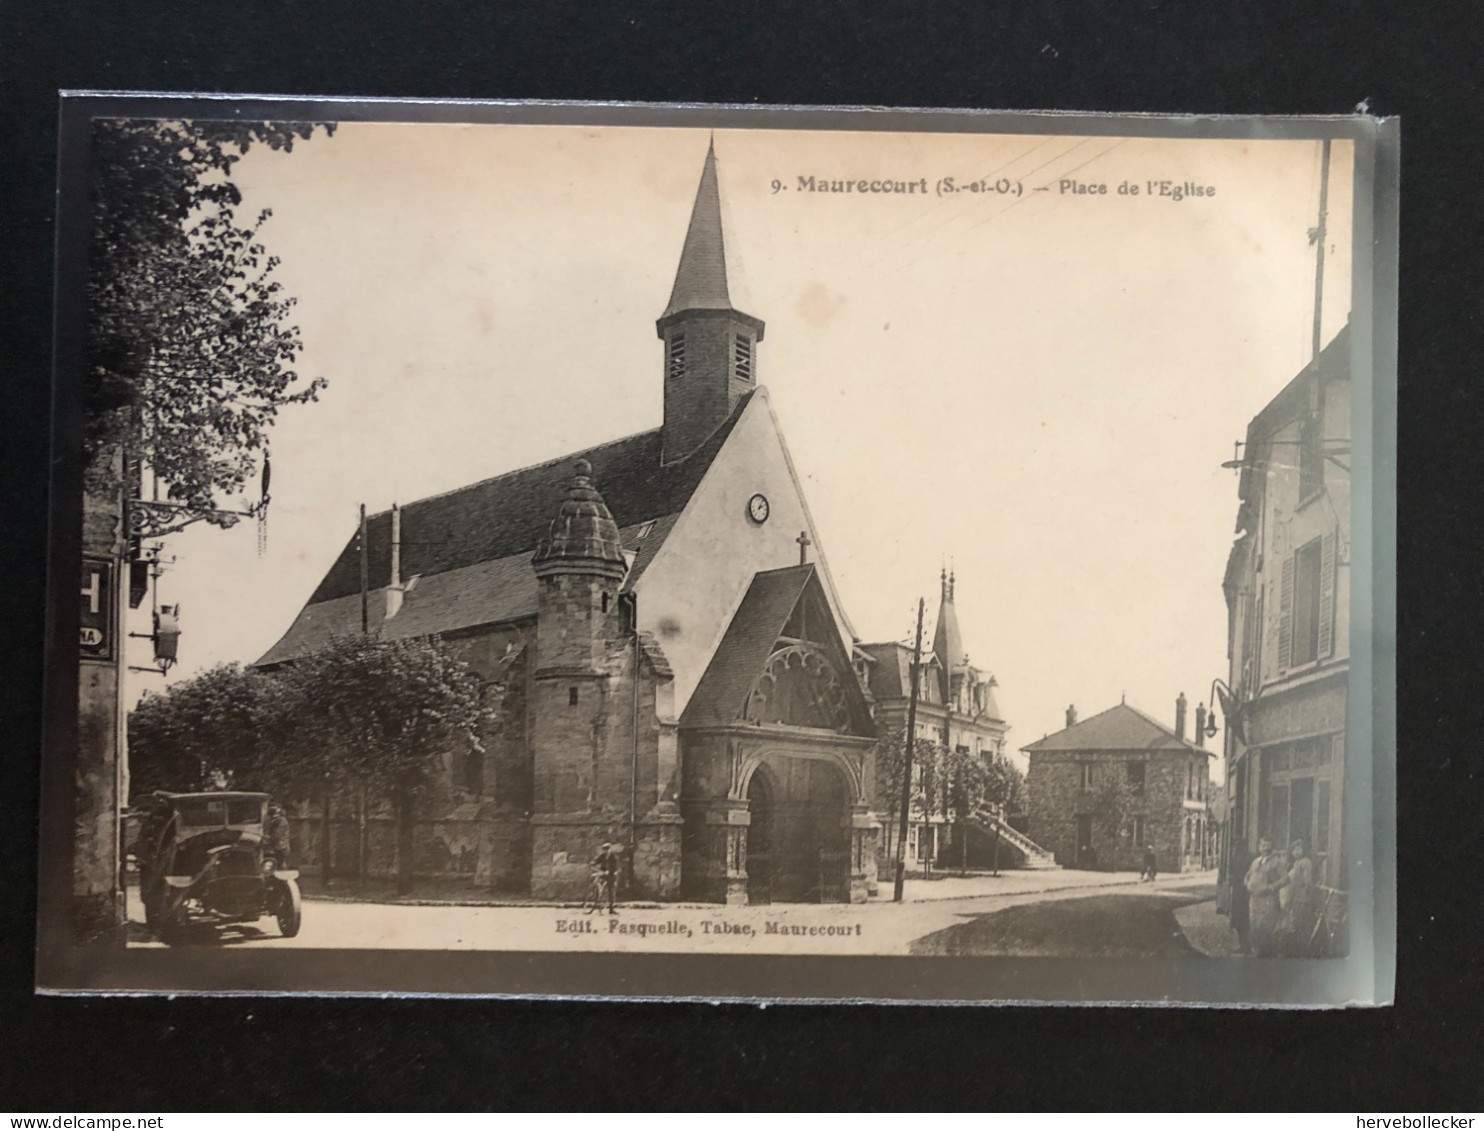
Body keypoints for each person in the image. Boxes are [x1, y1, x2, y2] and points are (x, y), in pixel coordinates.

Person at [1243, 835, 1287, 956]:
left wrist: (1271, 887)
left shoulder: (1277, 862)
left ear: (1272, 847)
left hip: (1268, 900)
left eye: (1268, 846)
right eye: (1263, 845)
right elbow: (1247, 876)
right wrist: (1247, 884)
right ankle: (1258, 953)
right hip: (1254, 900)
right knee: (1255, 925)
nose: (1265, 848)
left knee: (1269, 927)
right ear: (1259, 847)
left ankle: (1269, 956)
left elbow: (1285, 879)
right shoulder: (1255, 862)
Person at [1282, 838, 1317, 956]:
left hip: (1302, 898)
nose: (1296, 852)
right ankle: (1295, 949)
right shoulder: (1295, 864)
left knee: (1301, 924)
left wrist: (1305, 890)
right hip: (1294, 896)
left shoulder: (1306, 862)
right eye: (1294, 850)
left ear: (1304, 850)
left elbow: (1307, 881)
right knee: (1294, 923)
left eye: (1299, 849)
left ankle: (1302, 950)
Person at [1228, 840, 1254, 955]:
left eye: (1239, 846)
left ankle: (1247, 945)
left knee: (1245, 920)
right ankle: (1242, 944)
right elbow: (1232, 872)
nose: (1237, 848)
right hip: (1237, 892)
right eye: (1236, 846)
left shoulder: (1251, 858)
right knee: (1238, 920)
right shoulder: (1234, 858)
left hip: (1246, 892)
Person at [589, 842, 621, 915]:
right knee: (594, 877)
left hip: (611, 874)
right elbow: (597, 860)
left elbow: (616, 867)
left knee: (610, 891)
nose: (605, 851)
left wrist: (611, 871)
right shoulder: (602, 856)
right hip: (603, 873)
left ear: (609, 849)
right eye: (604, 849)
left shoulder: (613, 857)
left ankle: (611, 909)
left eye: (607, 849)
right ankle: (595, 893)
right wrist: (593, 863)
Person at [264, 802, 292, 868]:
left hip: (281, 848)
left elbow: (276, 835)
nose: (273, 815)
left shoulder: (281, 821)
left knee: (280, 866)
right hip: (277, 847)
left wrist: (266, 839)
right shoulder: (274, 821)